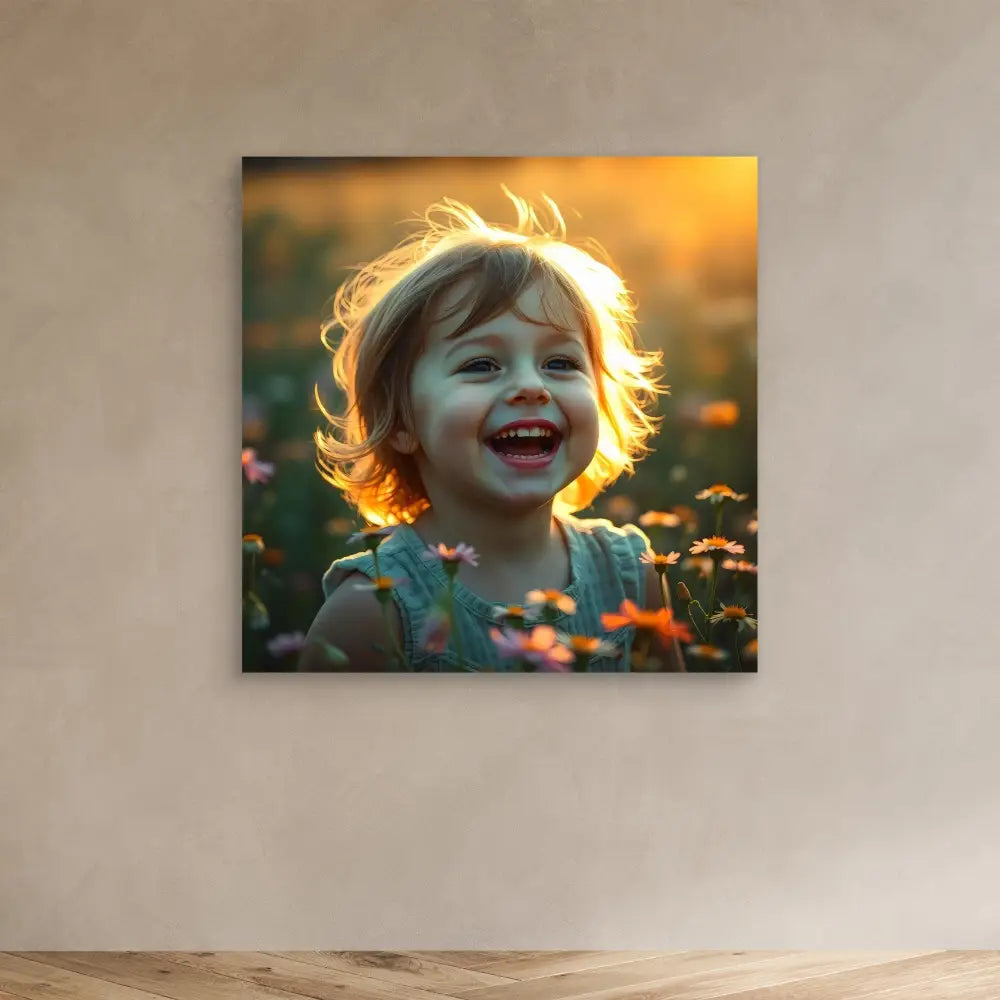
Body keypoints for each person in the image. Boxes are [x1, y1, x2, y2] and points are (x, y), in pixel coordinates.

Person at [298, 189, 685, 671]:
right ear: (399, 421)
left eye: (560, 362)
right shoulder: (373, 610)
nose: (531, 385)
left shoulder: (631, 577)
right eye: (481, 364)